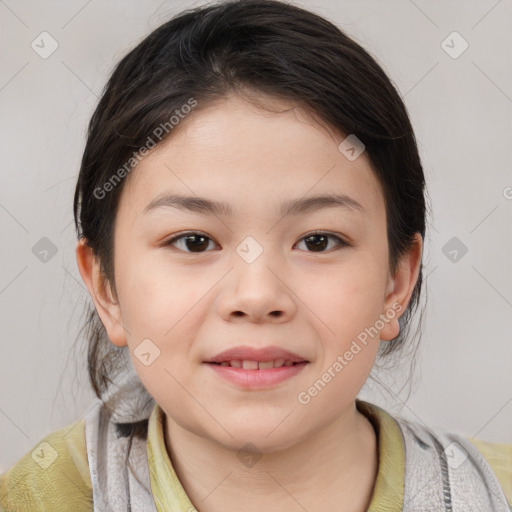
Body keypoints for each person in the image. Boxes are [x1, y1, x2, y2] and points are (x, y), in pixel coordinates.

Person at [1, 1, 511, 511]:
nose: (258, 296)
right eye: (194, 241)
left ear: (396, 281)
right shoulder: (37, 499)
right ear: (106, 287)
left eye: (318, 241)